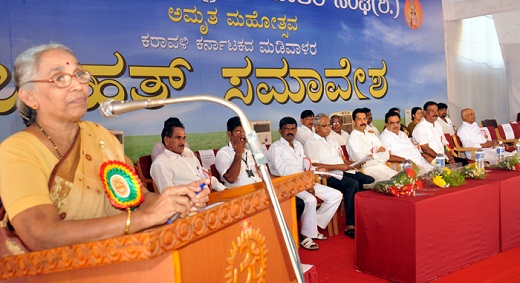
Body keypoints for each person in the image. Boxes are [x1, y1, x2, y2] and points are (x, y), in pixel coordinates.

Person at [0, 43, 209, 256]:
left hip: (123, 261)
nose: (78, 85)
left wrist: (175, 202)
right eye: (60, 78)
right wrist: (144, 219)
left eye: (80, 74)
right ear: (29, 97)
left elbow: (141, 199)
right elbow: (41, 236)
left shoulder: (101, 138)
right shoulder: (16, 151)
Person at [268, 117, 342, 247]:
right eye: (287, 129)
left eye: (293, 129)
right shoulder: (275, 148)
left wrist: (319, 170)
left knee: (336, 196)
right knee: (310, 200)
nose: (290, 132)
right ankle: (305, 236)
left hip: (305, 182)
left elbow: (305, 164)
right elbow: (283, 171)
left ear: (296, 130)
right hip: (286, 184)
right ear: (280, 131)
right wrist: (305, 183)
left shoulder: (298, 145)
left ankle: (311, 227)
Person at [303, 113, 375, 239]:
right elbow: (315, 164)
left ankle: (362, 216)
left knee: (369, 181)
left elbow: (342, 158)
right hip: (328, 175)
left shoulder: (332, 139)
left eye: (328, 125)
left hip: (343, 170)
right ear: (316, 127)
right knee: (352, 185)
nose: (328, 128)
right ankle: (350, 225)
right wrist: (338, 167)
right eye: (324, 126)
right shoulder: (311, 143)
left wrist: (353, 163)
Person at [151, 118, 226, 192]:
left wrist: (223, 189)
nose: (182, 142)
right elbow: (169, 196)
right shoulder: (161, 164)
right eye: (178, 138)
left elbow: (203, 175)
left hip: (208, 195)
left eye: (184, 138)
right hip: (192, 201)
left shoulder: (187, 153)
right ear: (166, 140)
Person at [346, 109, 398, 181]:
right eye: (359, 119)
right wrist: (379, 155)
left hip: (382, 166)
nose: (362, 122)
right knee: (392, 182)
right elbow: (362, 161)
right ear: (353, 122)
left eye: (364, 119)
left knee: (403, 178)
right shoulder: (352, 139)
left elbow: (386, 155)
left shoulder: (372, 136)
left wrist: (372, 156)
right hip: (368, 171)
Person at [215, 116, 262, 188]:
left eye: (244, 131)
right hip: (240, 193)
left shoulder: (252, 147)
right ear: (229, 134)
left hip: (259, 187)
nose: (242, 135)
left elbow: (264, 169)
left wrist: (255, 146)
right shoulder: (222, 153)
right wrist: (238, 152)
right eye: (238, 131)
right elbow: (231, 178)